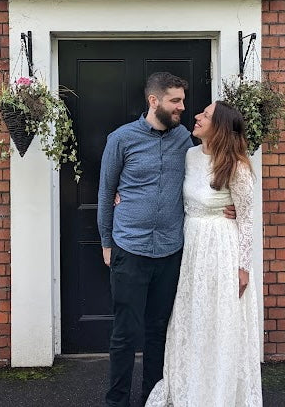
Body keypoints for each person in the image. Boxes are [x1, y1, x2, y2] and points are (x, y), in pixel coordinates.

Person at [145, 100, 262, 407]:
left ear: (219, 127)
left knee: (219, 321)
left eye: (206, 115)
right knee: (192, 317)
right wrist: (125, 194)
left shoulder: (237, 166)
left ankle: (219, 393)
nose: (196, 116)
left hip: (222, 250)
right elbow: (166, 186)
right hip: (191, 247)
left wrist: (243, 267)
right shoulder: (190, 155)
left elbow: (248, 219)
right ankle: (189, 386)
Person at [98, 72, 192, 407]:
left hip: (170, 250)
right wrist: (107, 243)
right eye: (175, 101)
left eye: (182, 100)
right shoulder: (121, 139)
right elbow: (106, 191)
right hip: (130, 249)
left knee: (159, 333)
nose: (182, 107)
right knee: (125, 334)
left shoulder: (185, 139)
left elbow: (206, 177)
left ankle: (154, 398)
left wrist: (227, 206)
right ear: (154, 101)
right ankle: (117, 401)